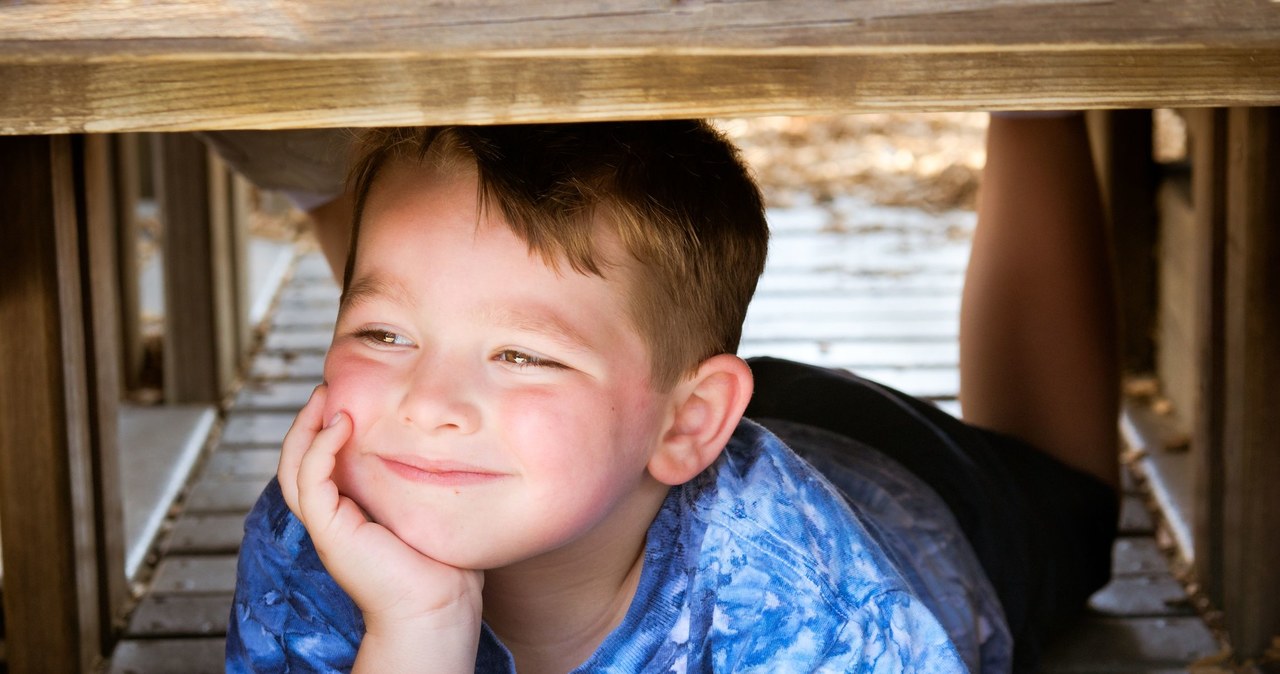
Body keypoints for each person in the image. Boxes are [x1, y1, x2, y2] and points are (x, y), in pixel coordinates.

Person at [226, 115, 1119, 673]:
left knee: (1071, 508)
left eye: (521, 355)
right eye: (384, 334)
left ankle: (1038, 107)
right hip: (631, 426)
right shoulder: (320, 527)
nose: (425, 403)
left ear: (690, 423)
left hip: (920, 491)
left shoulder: (808, 602)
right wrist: (419, 626)